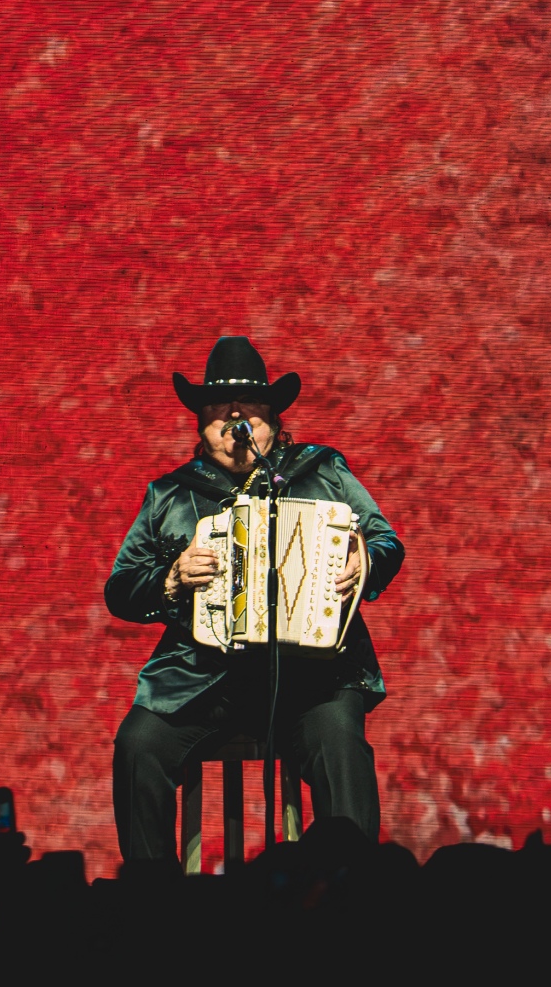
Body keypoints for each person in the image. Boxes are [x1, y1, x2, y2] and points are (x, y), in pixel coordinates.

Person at [105, 336, 405, 862]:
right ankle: (153, 897)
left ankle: (351, 886)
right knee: (139, 745)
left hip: (312, 675)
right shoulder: (171, 494)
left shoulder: (321, 470)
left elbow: (385, 541)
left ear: (272, 419)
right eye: (219, 409)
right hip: (203, 676)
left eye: (249, 407)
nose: (235, 419)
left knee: (340, 739)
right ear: (200, 425)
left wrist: (363, 559)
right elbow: (121, 587)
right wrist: (171, 578)